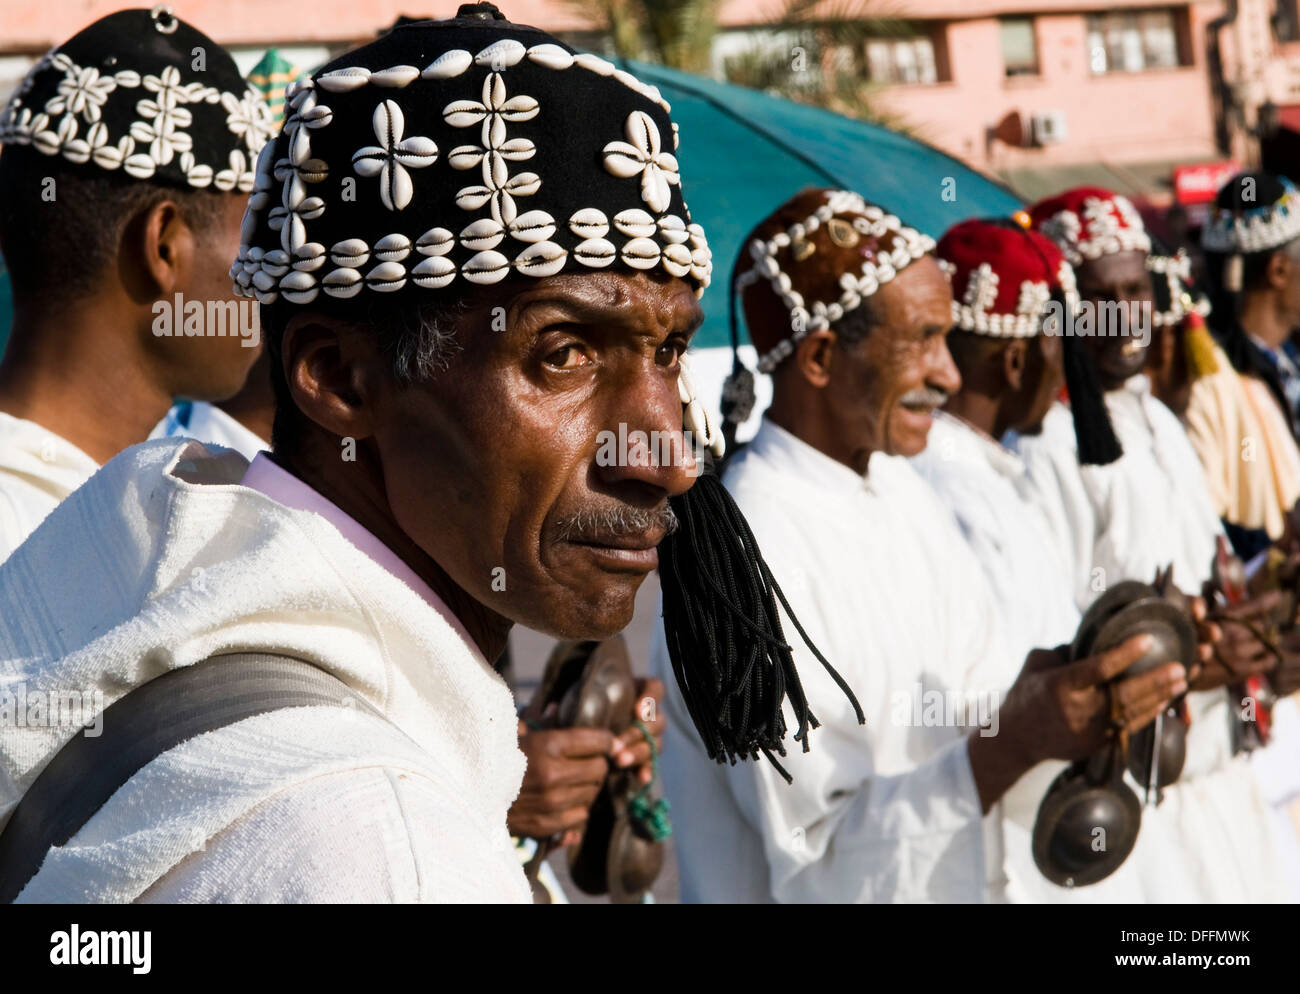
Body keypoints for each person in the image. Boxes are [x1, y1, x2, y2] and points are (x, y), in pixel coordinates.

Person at [0, 4, 821, 903]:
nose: (667, 456)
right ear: (341, 379)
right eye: (565, 354)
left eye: (667, 351)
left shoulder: (128, 579)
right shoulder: (380, 847)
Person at [651, 187, 1185, 904]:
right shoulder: (747, 560)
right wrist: (1014, 742)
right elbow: (819, 867)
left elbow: (975, 704)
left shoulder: (902, 493)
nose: (950, 374)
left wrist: (1063, 689)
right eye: (924, 341)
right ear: (819, 356)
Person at [1023, 185, 1292, 902]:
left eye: (1138, 288)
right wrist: (1192, 662)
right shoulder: (1048, 448)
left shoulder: (1159, 421)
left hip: (1226, 777)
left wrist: (1266, 600)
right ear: (1063, 307)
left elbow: (1211, 582)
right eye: (1103, 294)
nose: (1128, 313)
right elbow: (1057, 644)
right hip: (1136, 808)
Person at [0, 7, 274, 558]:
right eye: (256, 235)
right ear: (164, 245)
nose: (271, 276)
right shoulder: (23, 524)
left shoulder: (197, 486)